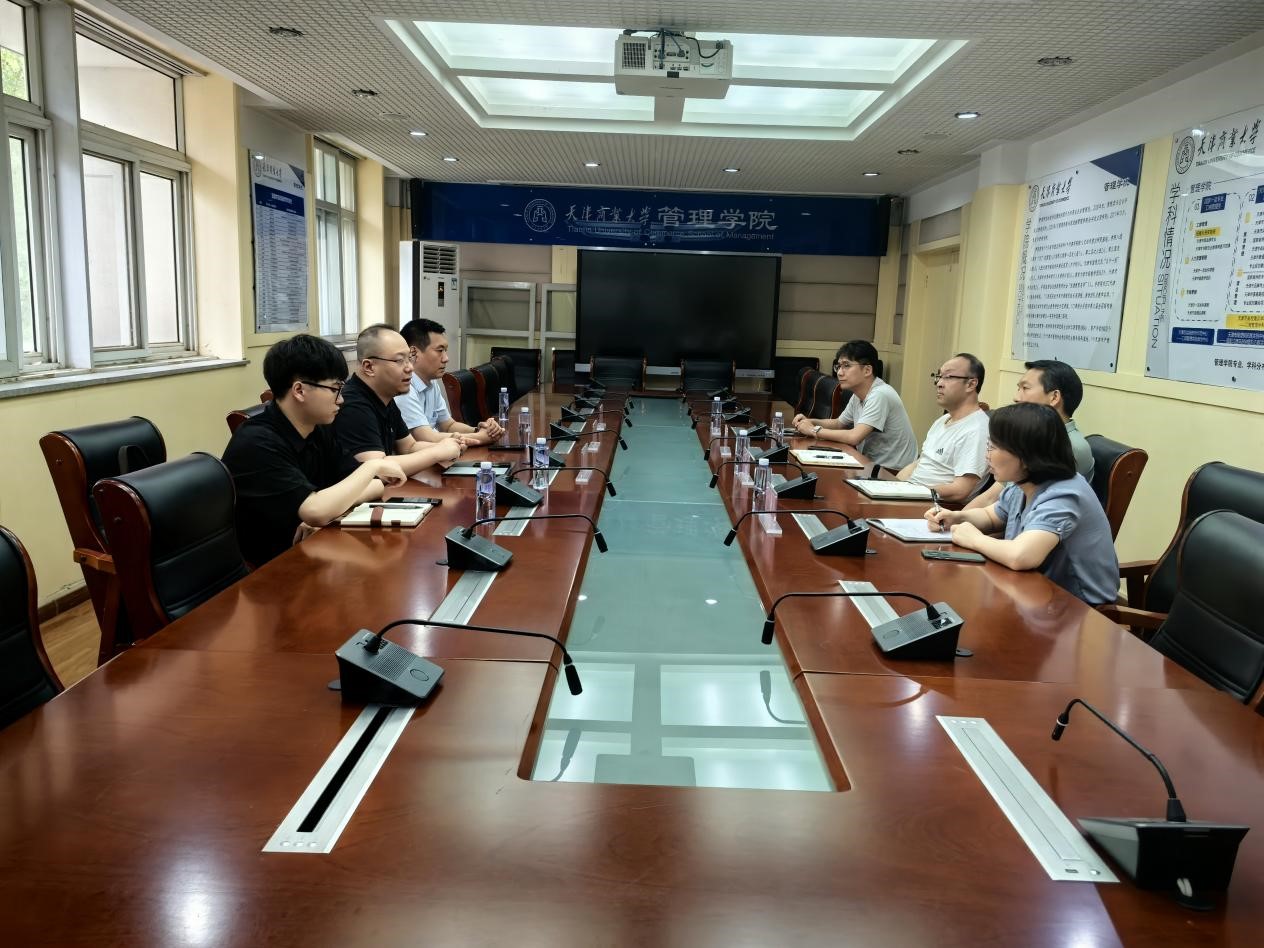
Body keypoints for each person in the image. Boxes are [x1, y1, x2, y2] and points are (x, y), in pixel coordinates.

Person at [222, 334, 407, 565]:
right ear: (299, 390)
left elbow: (374, 485)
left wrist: (328, 509)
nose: (341, 400)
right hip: (269, 569)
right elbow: (316, 510)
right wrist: (372, 466)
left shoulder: (317, 429)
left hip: (312, 552)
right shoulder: (257, 442)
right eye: (335, 388)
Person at [924, 402, 1119, 606]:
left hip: (1080, 608)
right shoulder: (1024, 483)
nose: (987, 455)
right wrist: (956, 517)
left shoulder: (1065, 494)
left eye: (993, 447)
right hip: (1035, 592)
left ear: (1026, 457)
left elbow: (1021, 556)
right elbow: (992, 516)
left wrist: (974, 539)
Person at [332, 324, 463, 474]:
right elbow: (377, 468)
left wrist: (449, 445)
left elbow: (409, 447)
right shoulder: (352, 405)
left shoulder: (385, 396)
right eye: (400, 360)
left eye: (409, 358)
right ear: (369, 367)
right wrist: (438, 452)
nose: (410, 368)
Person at [965, 359, 1094, 510]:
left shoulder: (1069, 447)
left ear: (1054, 397)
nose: (1016, 397)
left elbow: (1025, 510)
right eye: (1018, 388)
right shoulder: (1031, 437)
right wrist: (955, 519)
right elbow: (992, 497)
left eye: (1025, 388)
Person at [790, 340, 917, 470]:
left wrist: (813, 430)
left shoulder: (880, 394)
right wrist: (810, 421)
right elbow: (839, 423)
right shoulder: (858, 394)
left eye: (846, 366)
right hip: (870, 465)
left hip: (892, 472)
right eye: (838, 366)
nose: (839, 372)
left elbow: (854, 437)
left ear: (867, 370)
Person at [896, 352, 990, 502]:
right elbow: (919, 463)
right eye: (939, 376)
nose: (939, 383)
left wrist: (914, 492)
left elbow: (960, 490)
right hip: (910, 495)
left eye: (948, 377)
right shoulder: (942, 420)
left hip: (934, 506)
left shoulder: (977, 430)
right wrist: (893, 487)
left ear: (971, 384)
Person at [396, 318, 504, 445]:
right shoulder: (403, 387)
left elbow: (448, 425)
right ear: (413, 353)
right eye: (440, 350)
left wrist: (479, 430)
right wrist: (480, 437)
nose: (446, 358)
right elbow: (425, 437)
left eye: (445, 351)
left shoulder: (431, 382)